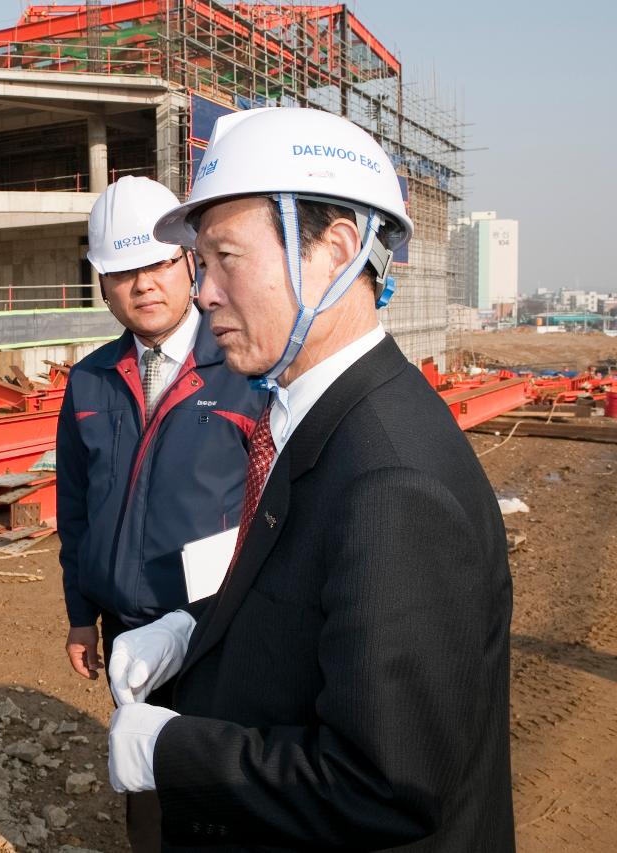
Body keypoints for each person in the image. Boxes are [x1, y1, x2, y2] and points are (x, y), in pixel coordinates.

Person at [107, 107, 514, 851]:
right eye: (202, 263)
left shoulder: (393, 482)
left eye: (228, 257)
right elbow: (317, 611)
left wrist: (170, 751)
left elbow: (382, 785)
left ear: (335, 249)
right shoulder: (306, 414)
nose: (204, 292)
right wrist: (197, 630)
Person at [56, 175, 262, 851]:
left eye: (159, 265)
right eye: (122, 273)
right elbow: (77, 507)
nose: (144, 285)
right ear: (102, 283)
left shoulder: (243, 369)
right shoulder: (88, 380)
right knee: (143, 784)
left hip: (218, 629)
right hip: (127, 635)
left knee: (219, 786)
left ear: (189, 262)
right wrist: (80, 615)